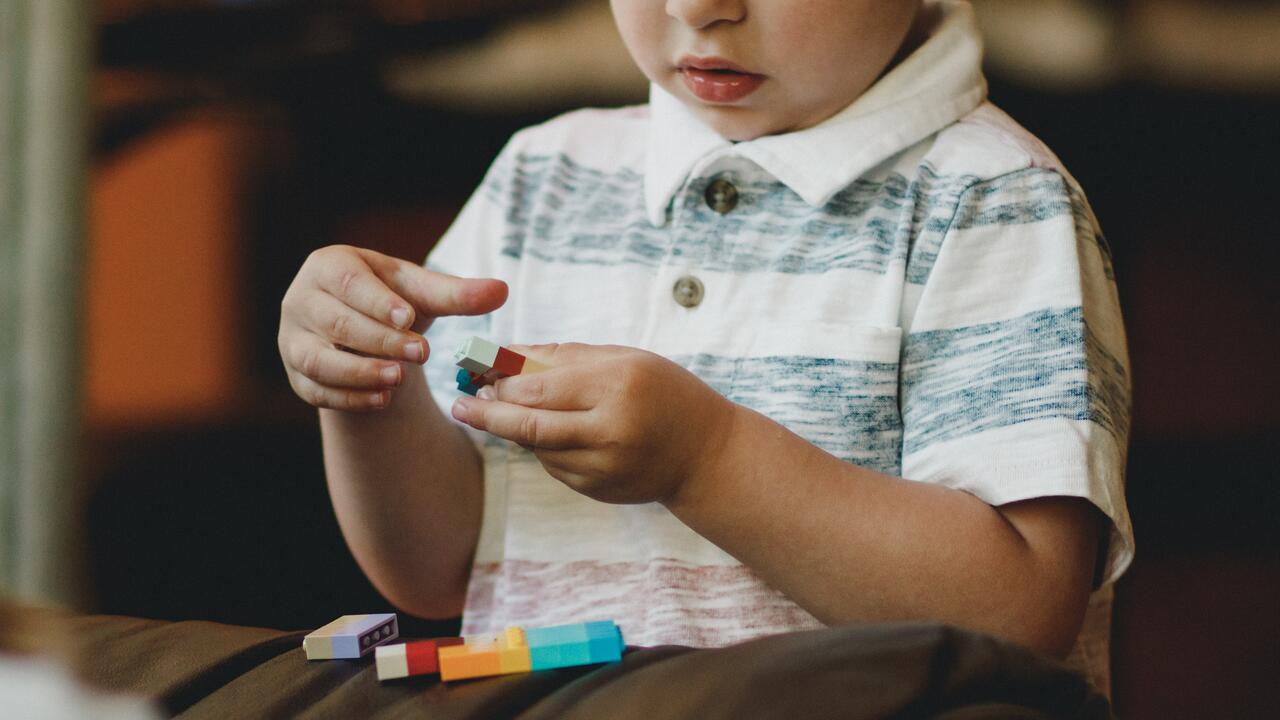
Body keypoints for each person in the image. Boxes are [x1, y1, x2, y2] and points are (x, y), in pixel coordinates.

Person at [278, 0, 1133, 694]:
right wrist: (368, 386)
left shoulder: (993, 200)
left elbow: (1021, 611)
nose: (697, 9)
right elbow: (438, 569)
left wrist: (707, 459)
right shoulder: (544, 174)